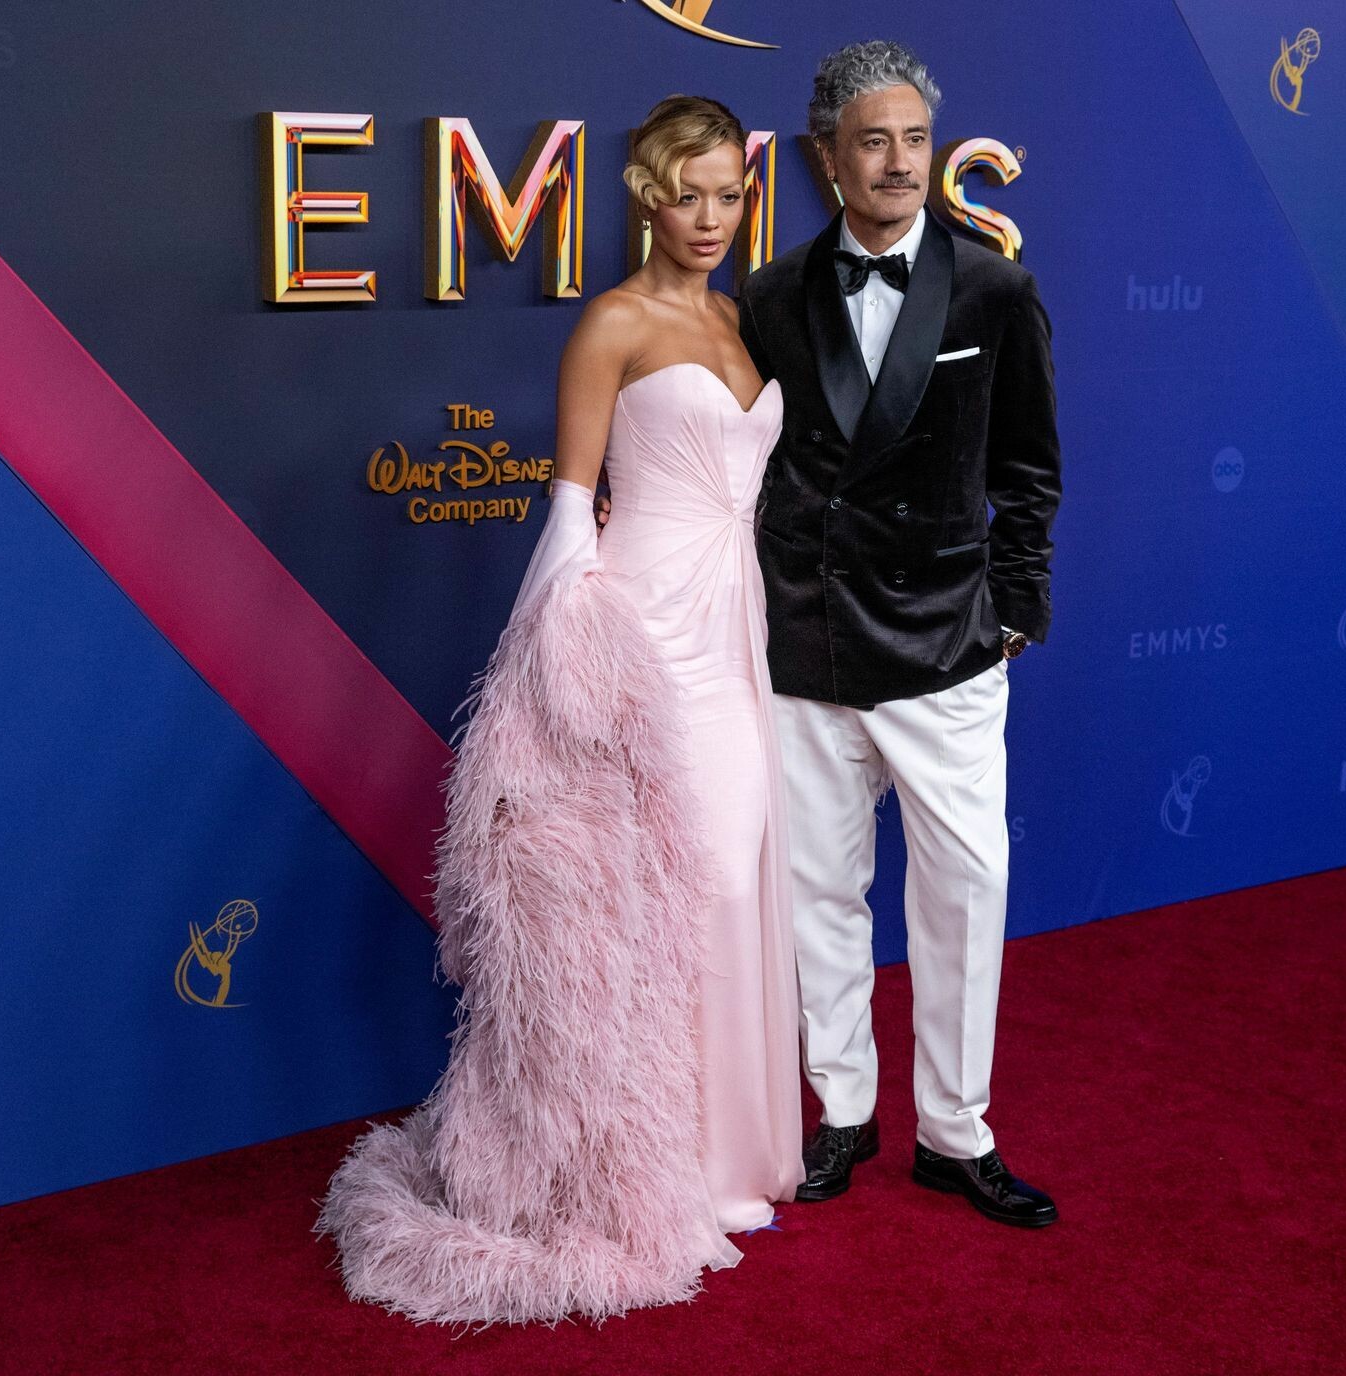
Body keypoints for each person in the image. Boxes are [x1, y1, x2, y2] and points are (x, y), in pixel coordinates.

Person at [314, 94, 802, 1327]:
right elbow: (571, 508)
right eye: (684, 195)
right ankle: (659, 1173)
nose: (708, 217)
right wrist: (546, 681)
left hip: (733, 632)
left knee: (730, 878)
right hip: (642, 637)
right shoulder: (613, 322)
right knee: (665, 893)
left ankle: (728, 1154)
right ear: (645, 198)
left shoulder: (738, 319)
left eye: (727, 194)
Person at [735, 41, 1064, 1226]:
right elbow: (745, 459)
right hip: (811, 639)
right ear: (825, 157)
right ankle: (841, 1110)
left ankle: (955, 1132)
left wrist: (1012, 609)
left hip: (946, 641)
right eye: (872, 141)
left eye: (915, 140)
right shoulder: (769, 295)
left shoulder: (993, 288)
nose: (898, 163)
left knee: (967, 889)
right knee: (818, 889)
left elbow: (1029, 467)